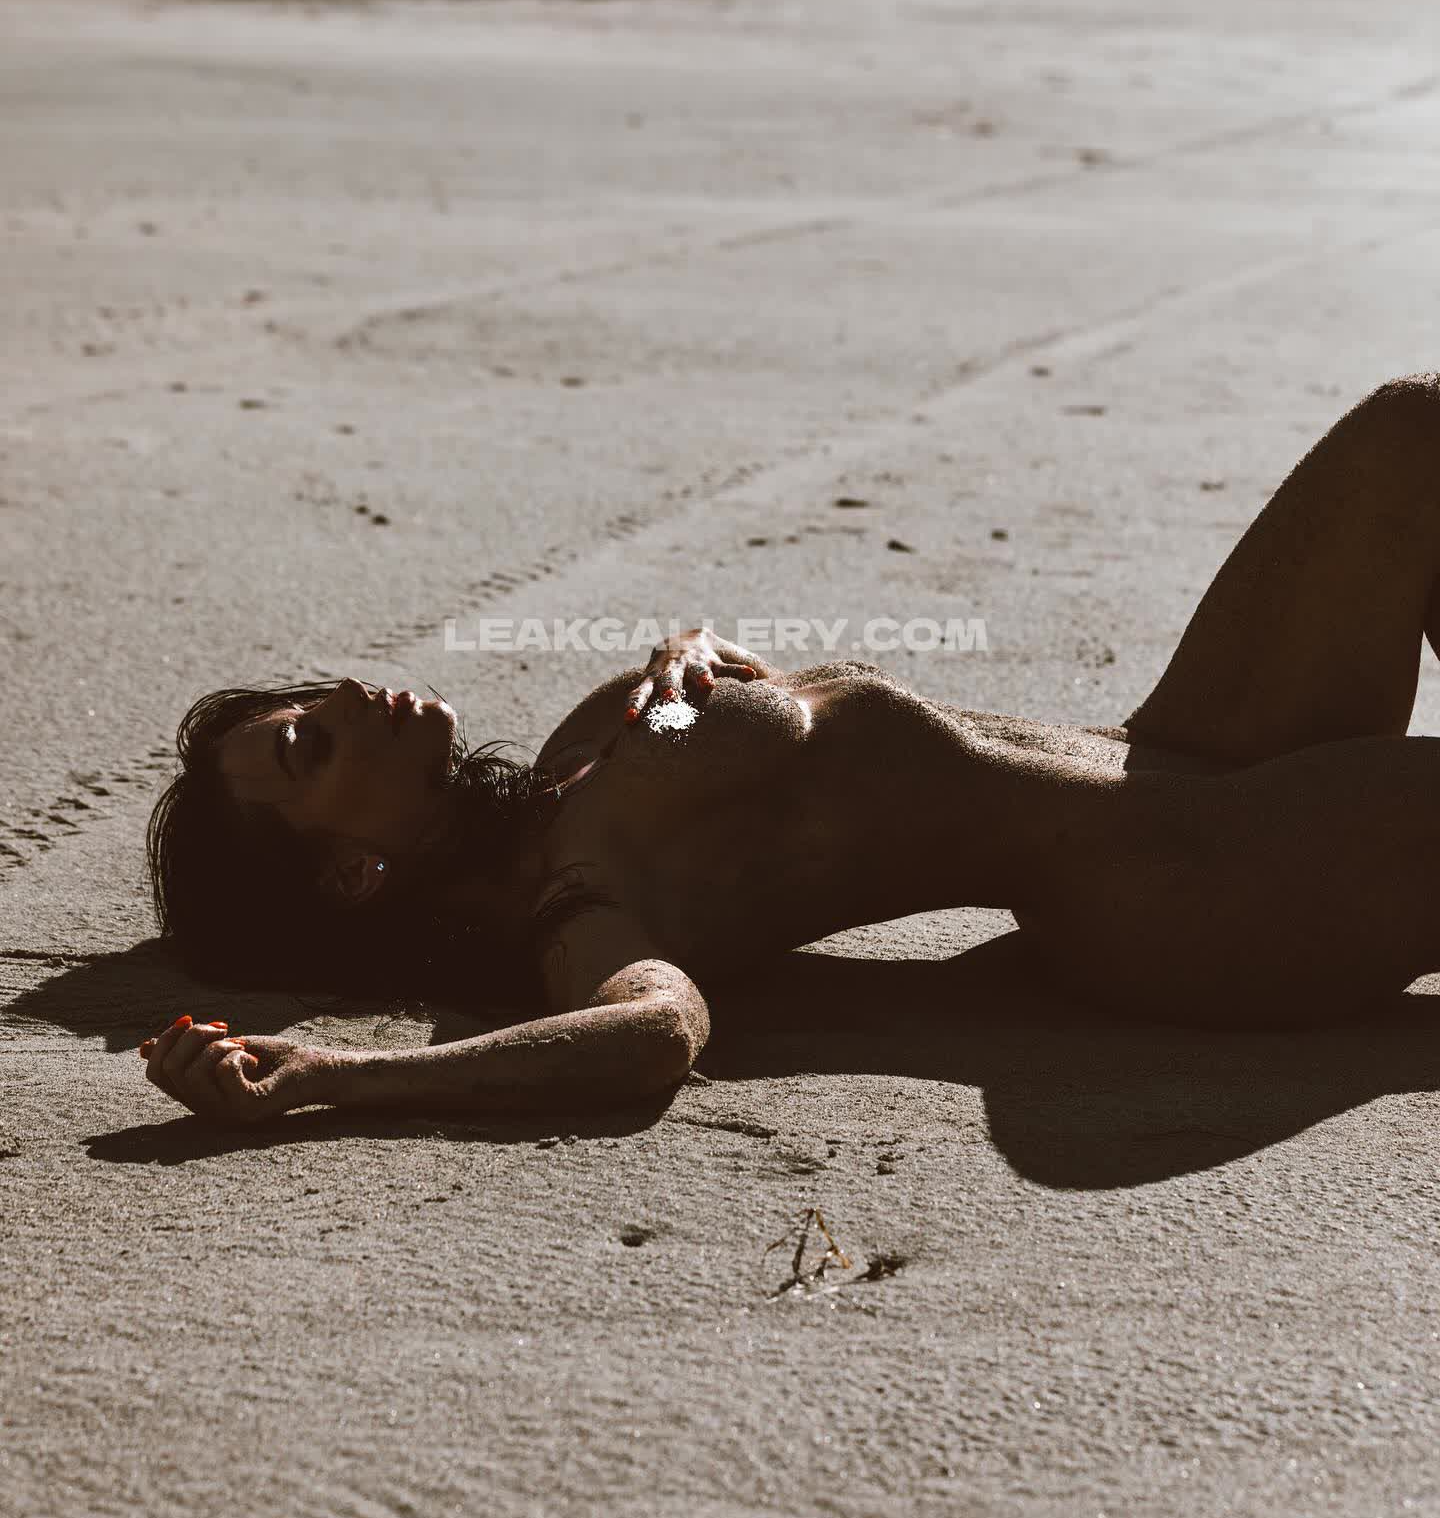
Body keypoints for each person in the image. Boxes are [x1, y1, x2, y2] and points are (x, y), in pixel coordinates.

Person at [140, 374, 1440, 1123]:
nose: (349, 694)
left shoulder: (575, 766)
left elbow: (724, 716)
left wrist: (692, 652)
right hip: (1186, 886)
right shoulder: (576, 903)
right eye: (309, 744)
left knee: (1411, 429)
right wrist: (333, 1077)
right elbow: (656, 1030)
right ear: (351, 873)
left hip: (1181, 747)